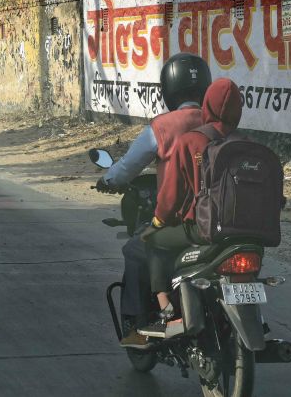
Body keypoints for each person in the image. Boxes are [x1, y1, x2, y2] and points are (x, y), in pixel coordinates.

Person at [95, 52, 211, 349]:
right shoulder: (220, 124)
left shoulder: (162, 127)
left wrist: (108, 180)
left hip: (183, 220)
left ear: (168, 89)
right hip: (222, 219)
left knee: (137, 249)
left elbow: (127, 168)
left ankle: (141, 323)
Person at [140, 77, 243, 335]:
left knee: (153, 241)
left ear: (207, 105)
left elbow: (170, 196)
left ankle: (165, 306)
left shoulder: (191, 141)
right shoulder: (246, 143)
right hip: (245, 231)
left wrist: (157, 223)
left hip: (203, 228)